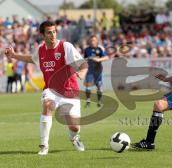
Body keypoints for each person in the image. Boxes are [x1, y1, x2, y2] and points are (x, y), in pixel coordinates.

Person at [5, 21, 88, 155]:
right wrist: (14, 56)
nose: (53, 34)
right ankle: (44, 145)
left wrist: (82, 73)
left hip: (70, 90)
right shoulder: (40, 49)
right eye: (49, 32)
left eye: (54, 31)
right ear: (43, 34)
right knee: (48, 105)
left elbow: (83, 64)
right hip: (51, 89)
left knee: (74, 126)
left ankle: (74, 137)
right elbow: (32, 59)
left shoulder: (65, 46)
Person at [84, 35, 109, 108]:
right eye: (91, 40)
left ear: (96, 41)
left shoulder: (100, 48)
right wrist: (87, 59)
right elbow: (84, 58)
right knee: (88, 86)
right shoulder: (87, 49)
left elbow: (106, 57)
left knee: (99, 86)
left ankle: (99, 101)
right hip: (90, 70)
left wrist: (98, 60)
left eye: (93, 40)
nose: (92, 42)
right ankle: (88, 101)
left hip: (98, 70)